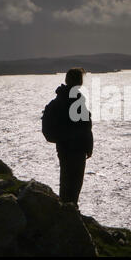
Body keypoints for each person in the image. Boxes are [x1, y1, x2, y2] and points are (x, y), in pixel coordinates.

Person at [52, 67, 93, 208]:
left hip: (66, 147)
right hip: (75, 148)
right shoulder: (74, 100)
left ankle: (67, 208)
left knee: (67, 180)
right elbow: (85, 127)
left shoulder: (62, 98)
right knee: (74, 182)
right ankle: (69, 211)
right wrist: (88, 147)